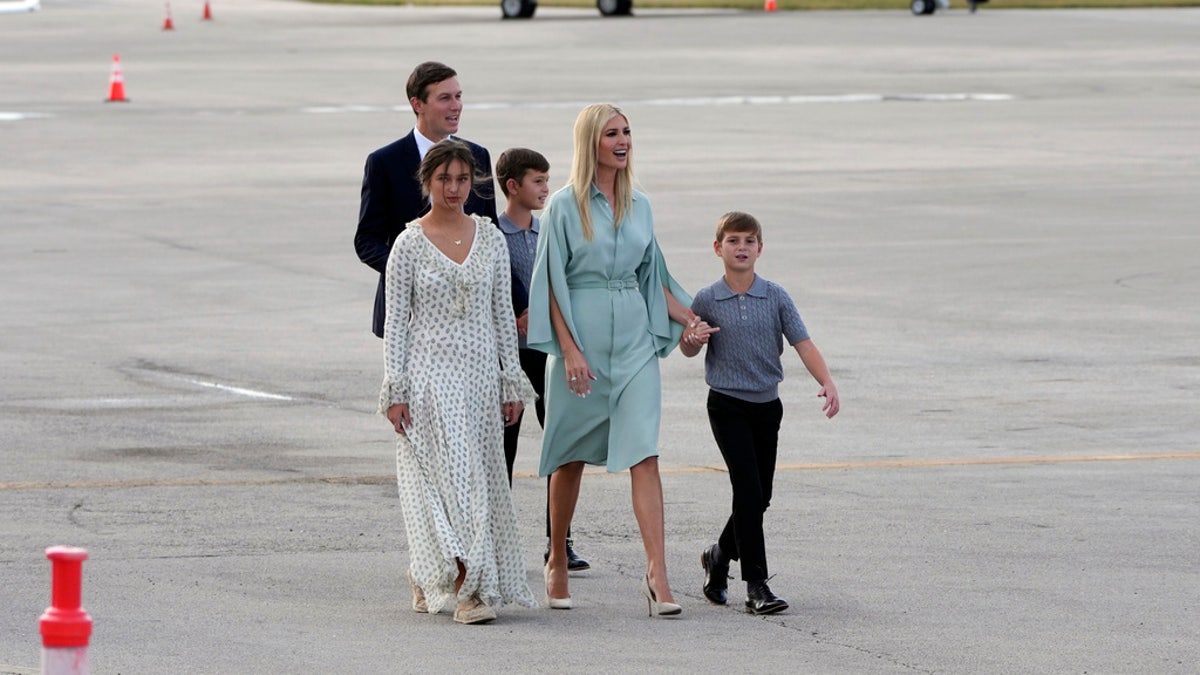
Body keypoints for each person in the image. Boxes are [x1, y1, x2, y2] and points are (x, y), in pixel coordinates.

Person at [526, 103, 694, 617]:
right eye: (611, 134)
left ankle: (657, 572)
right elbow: (551, 283)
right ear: (590, 143)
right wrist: (570, 351)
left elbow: (654, 278)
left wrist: (690, 319)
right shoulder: (561, 206)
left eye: (627, 132)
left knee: (645, 452)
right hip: (583, 341)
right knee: (570, 455)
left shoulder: (640, 204)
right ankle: (557, 558)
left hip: (635, 344)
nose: (622, 141)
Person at [379, 139, 538, 625]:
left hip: (479, 380)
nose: (454, 188)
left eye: (462, 179)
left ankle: (433, 572)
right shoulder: (407, 244)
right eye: (444, 179)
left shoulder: (489, 238)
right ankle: (470, 590)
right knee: (450, 483)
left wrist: (512, 381)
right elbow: (395, 324)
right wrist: (395, 389)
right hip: (429, 380)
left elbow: (501, 317)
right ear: (427, 181)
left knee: (479, 483)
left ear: (475, 183)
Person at [679, 211, 840, 615]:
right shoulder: (706, 299)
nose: (741, 248)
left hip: (767, 406)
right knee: (748, 492)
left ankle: (718, 556)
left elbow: (803, 343)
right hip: (727, 405)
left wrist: (827, 381)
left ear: (760, 248)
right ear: (718, 248)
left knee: (760, 496)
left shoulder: (776, 296)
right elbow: (687, 346)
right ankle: (756, 585)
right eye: (733, 241)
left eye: (749, 241)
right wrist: (692, 338)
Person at [495, 147, 593, 572]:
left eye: (547, 181)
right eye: (537, 181)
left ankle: (559, 540)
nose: (545, 189)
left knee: (561, 443)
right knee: (504, 450)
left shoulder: (547, 231)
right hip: (510, 358)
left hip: (549, 353)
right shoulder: (491, 234)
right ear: (512, 186)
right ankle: (499, 540)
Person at [356, 61, 498, 339]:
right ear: (417, 103)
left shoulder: (478, 155)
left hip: (471, 316)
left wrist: (521, 303)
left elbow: (491, 234)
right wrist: (414, 272)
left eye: (458, 96)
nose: (455, 106)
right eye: (445, 98)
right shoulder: (385, 162)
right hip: (409, 315)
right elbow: (367, 241)